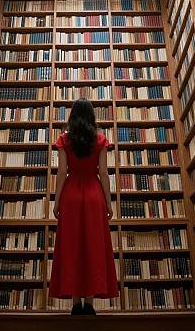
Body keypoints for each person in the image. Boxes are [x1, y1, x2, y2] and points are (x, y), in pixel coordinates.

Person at [49, 98, 118, 315]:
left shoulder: (63, 140)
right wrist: (108, 201)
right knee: (93, 245)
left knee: (71, 247)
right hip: (93, 195)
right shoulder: (100, 140)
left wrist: (56, 199)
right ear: (92, 117)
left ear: (72, 117)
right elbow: (104, 173)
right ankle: (89, 303)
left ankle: (75, 303)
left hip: (70, 195)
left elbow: (61, 172)